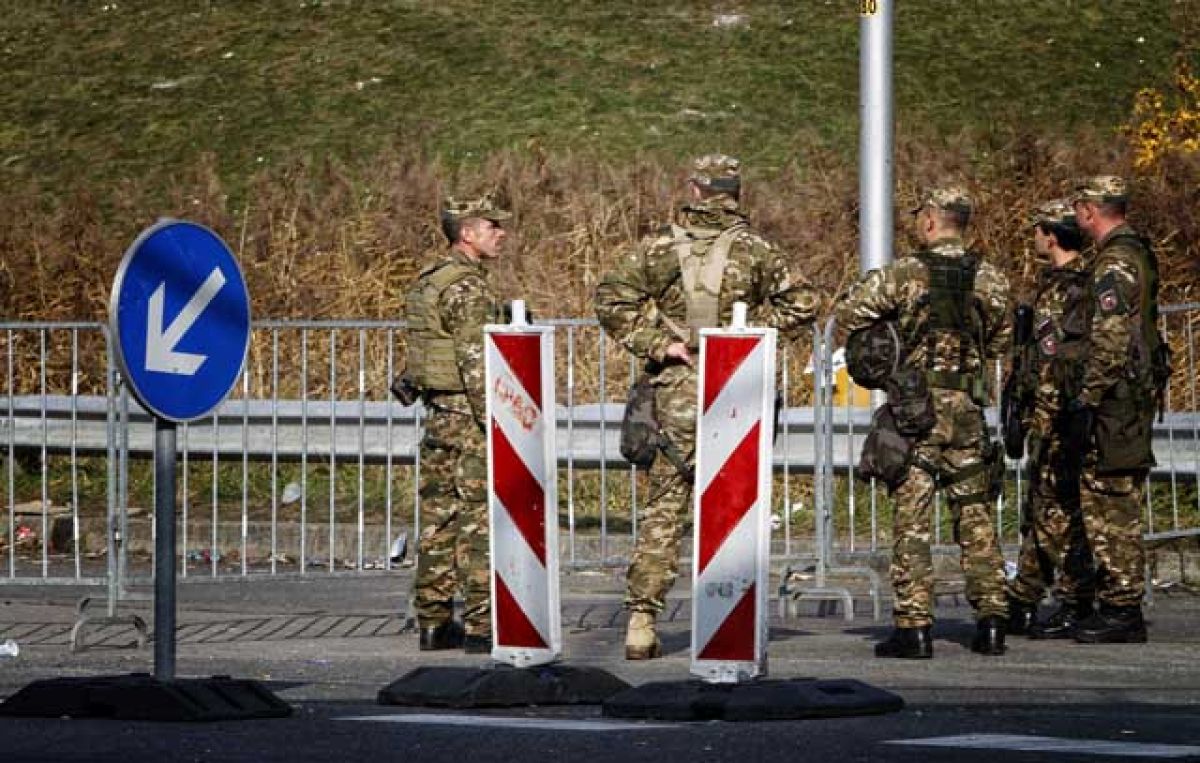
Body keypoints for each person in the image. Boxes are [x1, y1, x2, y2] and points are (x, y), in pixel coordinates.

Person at [594, 155, 819, 660]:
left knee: (665, 507)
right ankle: (730, 617)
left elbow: (611, 299)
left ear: (695, 191)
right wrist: (750, 338)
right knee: (736, 503)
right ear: (735, 193)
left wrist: (659, 344)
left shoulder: (658, 246)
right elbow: (804, 302)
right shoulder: (757, 248)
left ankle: (641, 621)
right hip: (738, 387)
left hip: (677, 388)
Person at [835, 186, 1011, 659]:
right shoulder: (991, 278)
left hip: (917, 409)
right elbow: (1000, 341)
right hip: (968, 408)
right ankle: (992, 619)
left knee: (912, 518)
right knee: (975, 513)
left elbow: (849, 313)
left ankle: (914, 627)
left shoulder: (905, 273)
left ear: (931, 220)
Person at [404, 194, 510, 653]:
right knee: (477, 518)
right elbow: (476, 363)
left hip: (440, 414)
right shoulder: (468, 288)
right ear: (467, 233)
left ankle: (433, 620)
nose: (501, 234)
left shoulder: (432, 279)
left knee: (438, 517)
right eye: (491, 226)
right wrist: (497, 421)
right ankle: (482, 624)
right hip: (469, 417)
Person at [1065, 175, 1166, 644]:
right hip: (1129, 394)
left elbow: (1110, 338)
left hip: (1116, 400)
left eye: (1079, 208)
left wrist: (1087, 398)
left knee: (1110, 500)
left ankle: (1122, 606)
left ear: (1090, 210)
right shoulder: (1135, 251)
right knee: (1114, 496)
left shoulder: (1114, 261)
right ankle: (1119, 603)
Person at [1004, 200, 1097, 639]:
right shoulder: (1075, 284)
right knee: (1041, 508)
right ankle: (1024, 597)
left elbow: (1050, 363)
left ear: (1052, 235)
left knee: (1056, 510)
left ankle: (1075, 598)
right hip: (1057, 413)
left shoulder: (1066, 291)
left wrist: (1038, 414)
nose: (1035, 239)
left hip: (1058, 415)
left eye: (1039, 231)